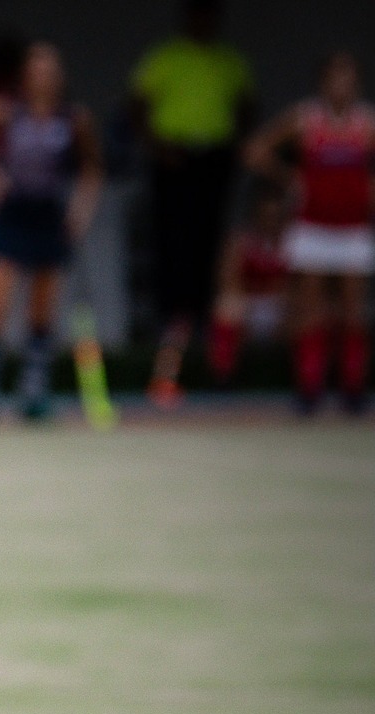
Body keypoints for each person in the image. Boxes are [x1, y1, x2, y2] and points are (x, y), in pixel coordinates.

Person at [0, 41, 103, 422]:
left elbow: (91, 171)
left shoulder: (73, 119)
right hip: (10, 214)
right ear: (25, 76)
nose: (43, 78)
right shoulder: (6, 112)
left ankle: (34, 393)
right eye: (36, 71)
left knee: (41, 311)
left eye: (50, 71)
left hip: (48, 217)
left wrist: (80, 214)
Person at [131, 0, 254, 407]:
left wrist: (232, 147)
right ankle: (167, 369)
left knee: (215, 262)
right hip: (174, 163)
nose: (204, 20)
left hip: (214, 163)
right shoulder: (165, 57)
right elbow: (138, 107)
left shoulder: (229, 60)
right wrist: (159, 148)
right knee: (173, 261)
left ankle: (218, 364)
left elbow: (246, 108)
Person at [247, 51, 373, 415]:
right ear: (324, 82)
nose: (341, 85)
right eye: (335, 77)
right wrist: (290, 179)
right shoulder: (306, 119)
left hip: (353, 228)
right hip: (312, 226)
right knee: (311, 309)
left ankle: (352, 390)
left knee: (353, 310)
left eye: (348, 77)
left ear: (357, 83)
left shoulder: (366, 124)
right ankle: (310, 390)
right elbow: (255, 150)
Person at [206, 185, 290, 384]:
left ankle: (309, 382)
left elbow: (299, 286)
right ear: (257, 216)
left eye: (275, 216)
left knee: (311, 309)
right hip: (251, 304)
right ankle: (224, 376)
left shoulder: (294, 240)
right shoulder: (241, 241)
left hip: (281, 305)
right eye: (266, 215)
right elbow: (227, 280)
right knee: (228, 305)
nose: (270, 221)